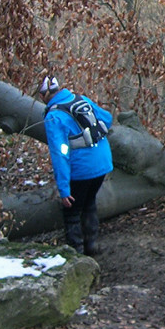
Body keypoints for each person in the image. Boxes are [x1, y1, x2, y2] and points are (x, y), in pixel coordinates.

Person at [38, 76, 113, 256]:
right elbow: (107, 118)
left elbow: (60, 154)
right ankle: (91, 245)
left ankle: (76, 255)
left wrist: (64, 190)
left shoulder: (53, 117)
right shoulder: (80, 100)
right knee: (89, 202)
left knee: (72, 211)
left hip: (82, 169)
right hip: (102, 162)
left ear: (44, 95)